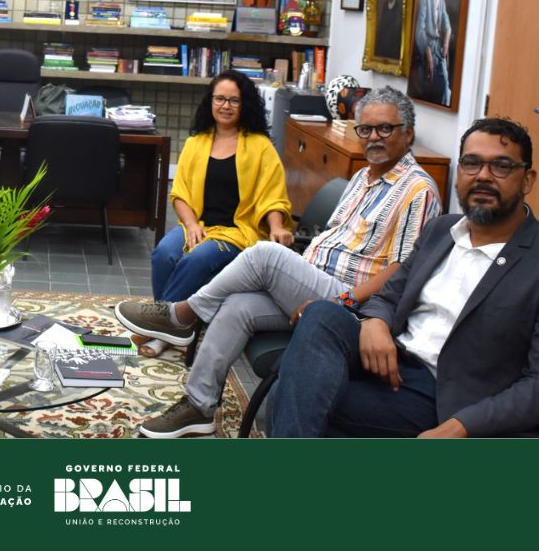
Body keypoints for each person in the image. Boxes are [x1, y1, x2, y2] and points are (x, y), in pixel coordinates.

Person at [130, 87, 440, 438]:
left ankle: (183, 315)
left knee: (265, 254)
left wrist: (343, 301)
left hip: (352, 303)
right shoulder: (363, 177)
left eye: (384, 129)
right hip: (316, 283)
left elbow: (403, 271)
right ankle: (199, 406)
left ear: (408, 134)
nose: (373, 138)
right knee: (237, 306)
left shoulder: (417, 190)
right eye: (365, 129)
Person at [271, 117, 539, 438]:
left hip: (445, 396)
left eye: (501, 166)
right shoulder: (440, 230)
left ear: (528, 180)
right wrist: (375, 321)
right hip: (390, 358)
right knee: (322, 315)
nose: (483, 176)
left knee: (288, 394)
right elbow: (389, 295)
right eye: (472, 163)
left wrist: (463, 426)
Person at [114, 70, 293, 355]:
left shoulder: (261, 147)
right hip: (197, 224)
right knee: (164, 253)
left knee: (196, 259)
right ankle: (173, 327)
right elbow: (180, 194)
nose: (225, 105)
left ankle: (159, 328)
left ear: (245, 104)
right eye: (219, 98)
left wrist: (276, 227)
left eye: (234, 100)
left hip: (237, 232)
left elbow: (273, 197)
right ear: (210, 101)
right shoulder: (196, 143)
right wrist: (191, 224)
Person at [410, 0, 452, 106]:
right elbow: (419, 30)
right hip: (426, 50)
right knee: (437, 91)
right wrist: (427, 51)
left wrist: (446, 38)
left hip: (438, 50)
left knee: (445, 91)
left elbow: (445, 17)